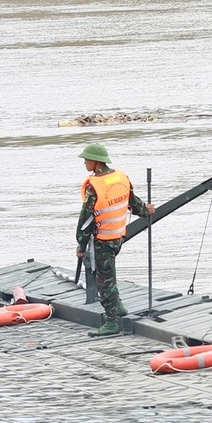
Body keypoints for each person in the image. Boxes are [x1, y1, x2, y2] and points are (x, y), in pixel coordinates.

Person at [76, 142, 151, 336]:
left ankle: (111, 321)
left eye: (86, 159)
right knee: (109, 273)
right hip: (118, 237)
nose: (84, 162)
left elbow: (85, 220)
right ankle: (118, 306)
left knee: (103, 280)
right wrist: (147, 210)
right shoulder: (121, 178)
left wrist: (81, 244)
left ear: (95, 161)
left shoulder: (94, 186)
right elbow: (134, 205)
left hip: (102, 239)